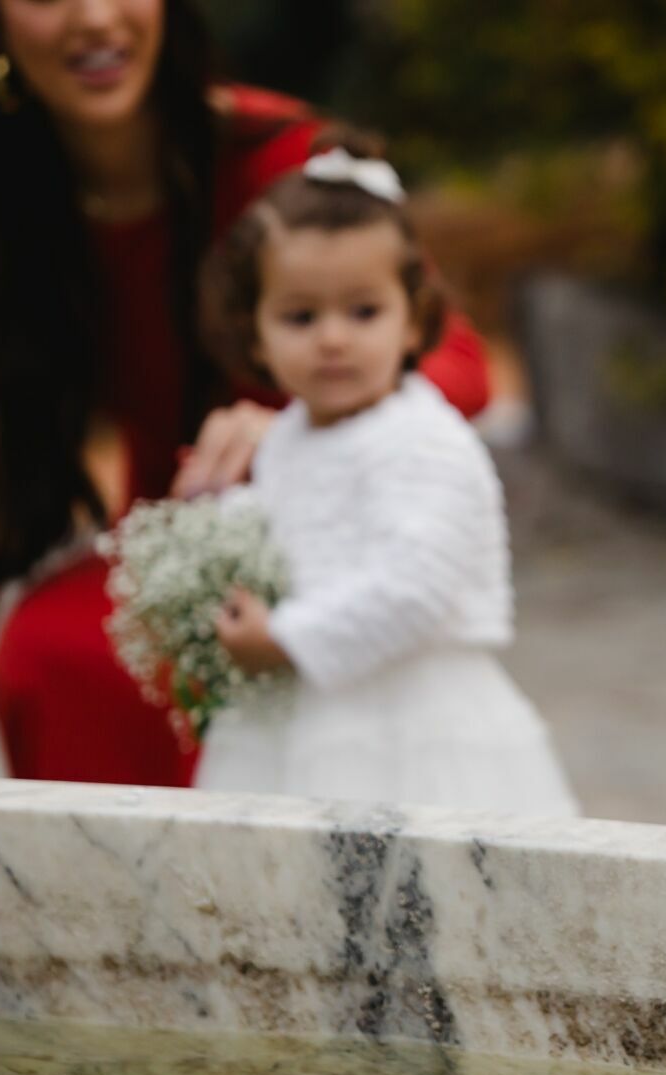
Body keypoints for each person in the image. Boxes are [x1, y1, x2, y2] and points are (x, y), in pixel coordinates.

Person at [0, 0, 490, 784]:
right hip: (171, 546)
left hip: (332, 538)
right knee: (50, 653)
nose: (96, 18)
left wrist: (298, 425)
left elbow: (464, 365)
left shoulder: (279, 162)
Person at [192, 143, 577, 815]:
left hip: (413, 724)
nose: (333, 339)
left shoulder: (424, 440)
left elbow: (416, 584)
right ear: (254, 336)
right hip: (301, 717)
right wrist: (213, 551)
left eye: (363, 311)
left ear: (413, 321)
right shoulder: (284, 437)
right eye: (301, 317)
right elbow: (284, 528)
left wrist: (286, 636)